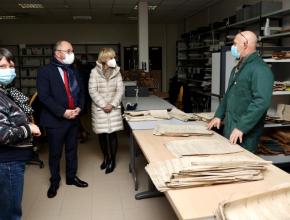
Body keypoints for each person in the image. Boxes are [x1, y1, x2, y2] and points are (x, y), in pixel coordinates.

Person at [36, 40, 88, 199]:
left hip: (74, 119)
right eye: (69, 51)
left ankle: (71, 177)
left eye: (72, 50)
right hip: (55, 120)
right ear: (58, 53)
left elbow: (80, 91)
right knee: (55, 153)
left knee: (72, 150)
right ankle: (55, 181)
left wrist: (79, 107)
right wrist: (63, 112)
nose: (72, 54)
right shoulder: (45, 71)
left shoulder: (73, 70)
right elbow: (44, 97)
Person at [208, 31, 274, 152]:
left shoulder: (260, 69)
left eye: (235, 43)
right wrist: (218, 115)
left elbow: (261, 102)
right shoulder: (237, 68)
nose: (233, 47)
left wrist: (241, 127)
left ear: (245, 44)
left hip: (245, 133)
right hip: (230, 126)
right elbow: (228, 94)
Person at [0, 48, 41, 220]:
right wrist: (28, 129)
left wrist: (27, 123)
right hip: (7, 160)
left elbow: (25, 110)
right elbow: (3, 134)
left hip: (12, 159)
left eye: (11, 66)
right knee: (11, 214)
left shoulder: (7, 90)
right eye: (2, 66)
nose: (9, 70)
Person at [89, 48, 124, 174]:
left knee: (113, 135)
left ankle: (113, 160)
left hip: (113, 108)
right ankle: (106, 157)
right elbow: (92, 90)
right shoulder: (94, 72)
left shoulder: (117, 71)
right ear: (104, 59)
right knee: (102, 135)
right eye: (111, 57)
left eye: (114, 57)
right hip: (100, 109)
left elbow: (120, 90)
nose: (113, 60)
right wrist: (104, 105)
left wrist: (112, 104)